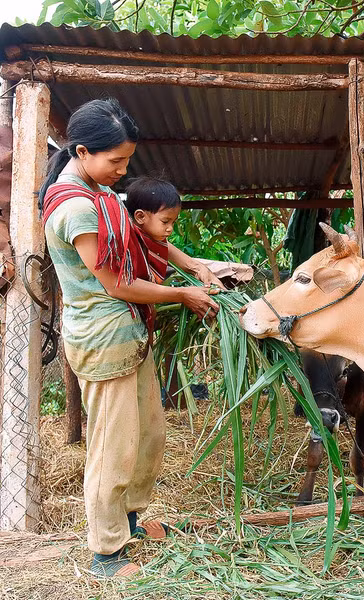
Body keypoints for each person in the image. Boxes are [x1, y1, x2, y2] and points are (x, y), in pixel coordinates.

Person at [40, 98, 222, 577]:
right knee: (113, 447)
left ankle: (130, 521)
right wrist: (181, 294)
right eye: (116, 160)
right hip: (104, 339)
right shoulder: (77, 208)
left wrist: (194, 266)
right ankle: (106, 551)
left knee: (149, 434)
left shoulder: (100, 191)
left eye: (127, 160)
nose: (123, 171)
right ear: (82, 151)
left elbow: (147, 237)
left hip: (130, 332)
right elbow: (117, 284)